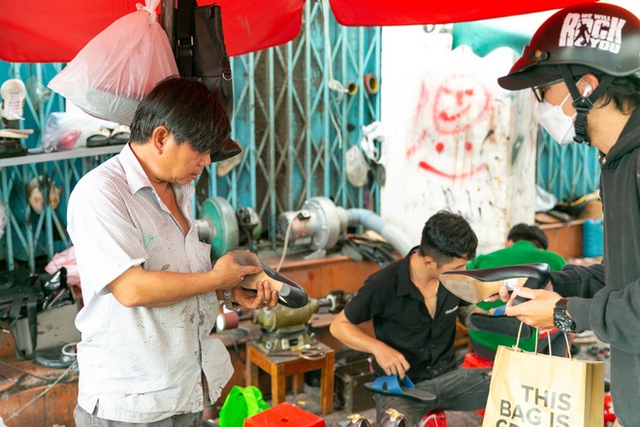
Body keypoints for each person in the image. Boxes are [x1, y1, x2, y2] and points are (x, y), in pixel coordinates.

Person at [67, 76, 279, 426]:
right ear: (162, 138)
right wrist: (214, 277)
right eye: (200, 150)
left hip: (183, 391)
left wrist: (228, 289)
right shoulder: (100, 193)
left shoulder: (179, 190)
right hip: (131, 405)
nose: (207, 161)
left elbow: (177, 274)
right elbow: (132, 289)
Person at [496, 4, 640, 426]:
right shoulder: (613, 163)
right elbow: (623, 280)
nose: (539, 103)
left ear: (588, 86)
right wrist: (550, 282)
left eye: (544, 89)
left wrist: (565, 312)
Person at [329, 211, 491, 426]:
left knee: (511, 386)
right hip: (402, 386)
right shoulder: (384, 283)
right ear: (430, 262)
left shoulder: (454, 279)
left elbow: (466, 313)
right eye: (458, 267)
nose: (464, 272)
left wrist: (493, 317)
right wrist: (378, 348)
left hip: (449, 378)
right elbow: (339, 326)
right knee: (394, 423)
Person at [466, 223, 566, 359]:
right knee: (564, 322)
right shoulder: (555, 260)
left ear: (508, 242)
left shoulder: (481, 260)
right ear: (541, 248)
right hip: (528, 349)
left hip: (484, 344)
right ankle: (552, 369)